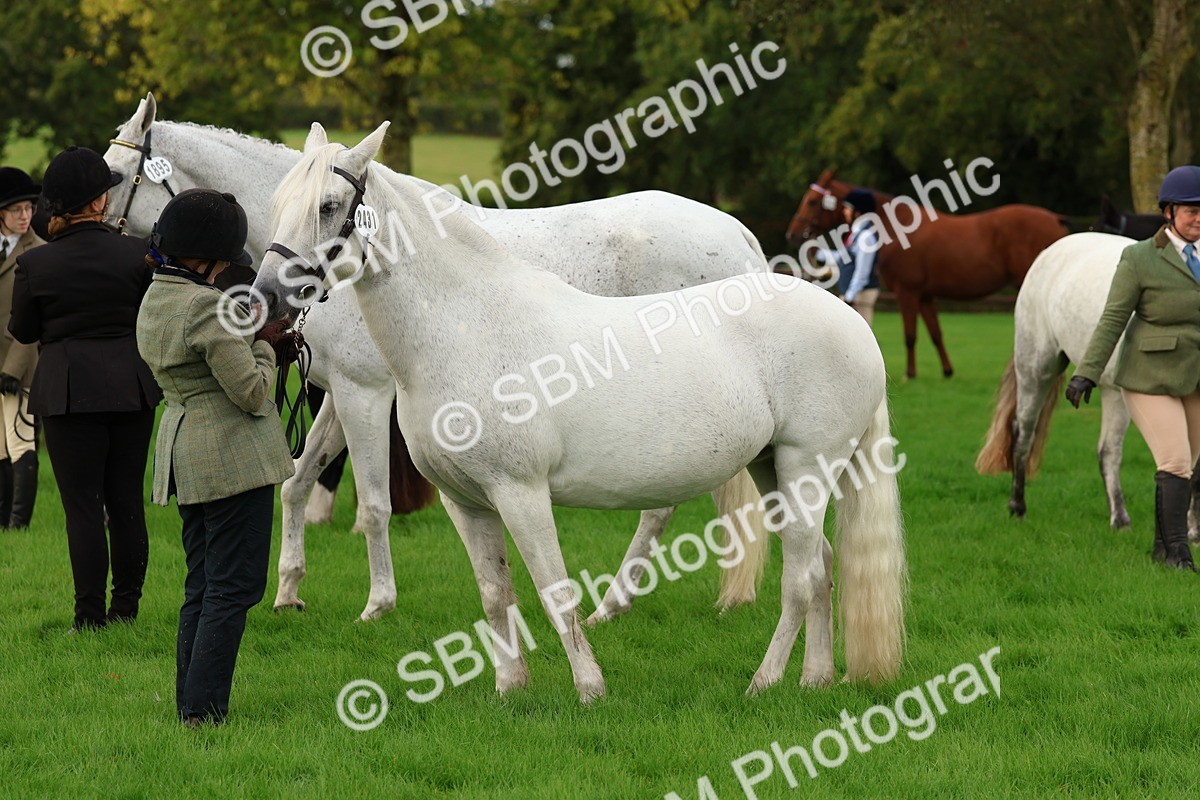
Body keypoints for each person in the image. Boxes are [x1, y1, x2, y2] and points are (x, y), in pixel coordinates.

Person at [135, 188, 296, 727]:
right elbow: (250, 392)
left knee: (202, 584)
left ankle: (191, 700)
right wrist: (268, 345)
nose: (229, 269)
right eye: (224, 261)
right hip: (229, 457)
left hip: (184, 449)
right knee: (234, 587)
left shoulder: (156, 295)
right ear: (203, 256)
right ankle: (203, 711)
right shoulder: (205, 306)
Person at [9, 147, 163, 630]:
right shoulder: (136, 251)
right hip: (130, 386)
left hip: (67, 390)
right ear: (98, 202)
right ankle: (127, 608)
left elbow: (25, 331)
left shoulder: (36, 265)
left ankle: (89, 616)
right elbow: (149, 317)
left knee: (82, 509)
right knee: (125, 500)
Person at [1067, 165, 1200, 571]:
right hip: (1148, 375)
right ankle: (1178, 554)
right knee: (1175, 460)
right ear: (1168, 213)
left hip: (1194, 375)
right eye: (1190, 209)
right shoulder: (1139, 257)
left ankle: (1162, 545)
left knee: (1193, 462)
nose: (1198, 217)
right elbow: (1112, 318)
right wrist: (1086, 372)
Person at [0, 167, 45, 528]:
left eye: (29, 208)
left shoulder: (39, 252)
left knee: (20, 440)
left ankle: (19, 524)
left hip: (21, 364)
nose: (25, 216)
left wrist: (13, 369)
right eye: (16, 209)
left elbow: (35, 319)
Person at [836, 188, 882, 325]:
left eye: (848, 208)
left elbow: (862, 272)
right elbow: (844, 257)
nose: (845, 211)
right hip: (853, 293)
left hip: (860, 295)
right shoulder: (857, 234)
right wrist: (819, 253)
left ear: (858, 211)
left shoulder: (866, 237)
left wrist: (849, 297)